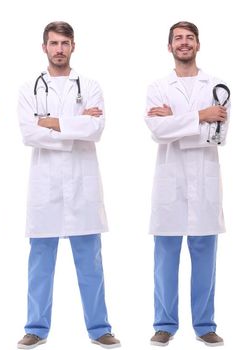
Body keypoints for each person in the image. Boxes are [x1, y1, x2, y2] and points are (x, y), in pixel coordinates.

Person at [15, 21, 120, 349]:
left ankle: (99, 328)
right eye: (53, 43)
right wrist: (75, 125)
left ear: (73, 46)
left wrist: (52, 124)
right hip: (45, 188)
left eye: (64, 43)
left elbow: (95, 130)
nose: (59, 49)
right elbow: (29, 134)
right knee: (40, 265)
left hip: (82, 187)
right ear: (44, 47)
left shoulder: (90, 85)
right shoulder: (29, 87)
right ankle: (35, 327)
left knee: (90, 263)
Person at [144, 21, 228, 347]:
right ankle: (164, 324)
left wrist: (175, 120)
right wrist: (199, 116)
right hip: (170, 184)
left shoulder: (217, 85)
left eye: (189, 38)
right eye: (178, 38)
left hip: (205, 183)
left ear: (197, 44)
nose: (183, 43)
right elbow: (156, 131)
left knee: (205, 259)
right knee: (165, 259)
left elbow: (217, 136)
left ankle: (205, 325)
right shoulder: (157, 86)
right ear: (169, 47)